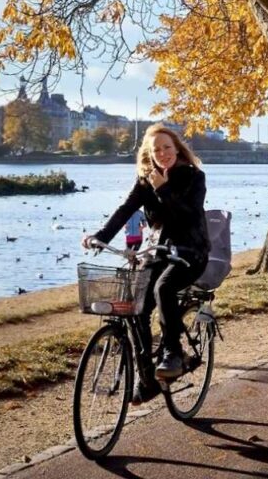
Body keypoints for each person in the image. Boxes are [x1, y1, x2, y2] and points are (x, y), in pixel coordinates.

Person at [82, 124, 209, 400]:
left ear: (177, 149)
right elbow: (124, 210)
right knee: (136, 305)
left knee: (163, 288)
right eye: (156, 150)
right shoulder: (145, 181)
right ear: (148, 155)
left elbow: (188, 216)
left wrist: (163, 189)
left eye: (166, 147)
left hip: (191, 252)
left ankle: (173, 352)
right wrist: (100, 236)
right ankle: (147, 377)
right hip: (160, 251)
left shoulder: (194, 177)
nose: (162, 154)